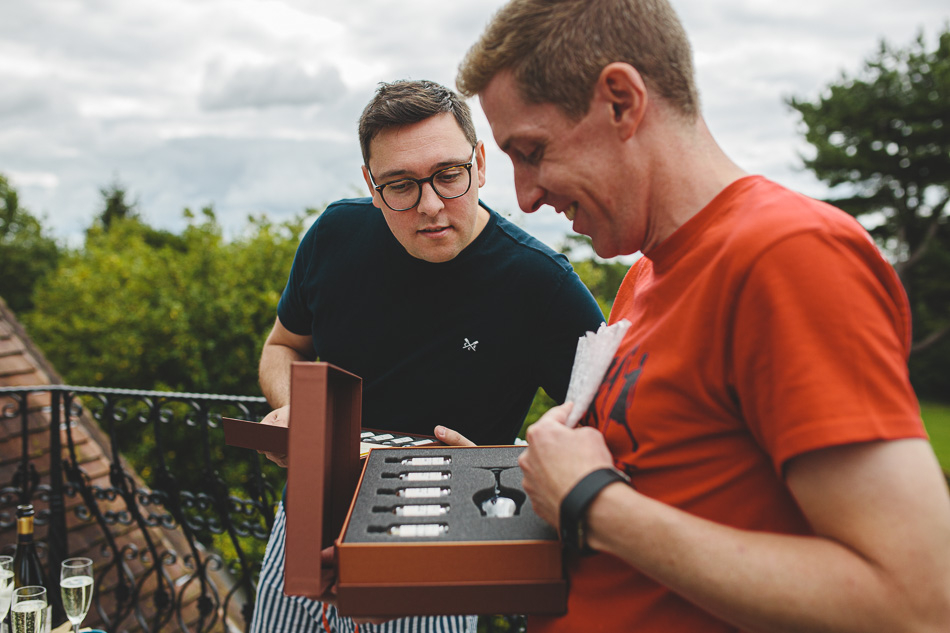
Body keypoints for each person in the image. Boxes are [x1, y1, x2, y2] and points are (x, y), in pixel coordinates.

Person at [456, 1, 950, 631]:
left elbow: (914, 603)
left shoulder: (789, 255)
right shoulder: (645, 273)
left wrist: (591, 503)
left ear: (620, 102)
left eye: (531, 151)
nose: (524, 197)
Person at [249, 79, 605, 633]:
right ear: (371, 185)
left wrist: (499, 470)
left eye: (448, 175)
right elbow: (283, 346)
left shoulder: (542, 285)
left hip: (440, 542)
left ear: (480, 165)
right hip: (307, 516)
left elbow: (612, 434)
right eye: (400, 186)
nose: (431, 206)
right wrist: (296, 412)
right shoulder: (335, 235)